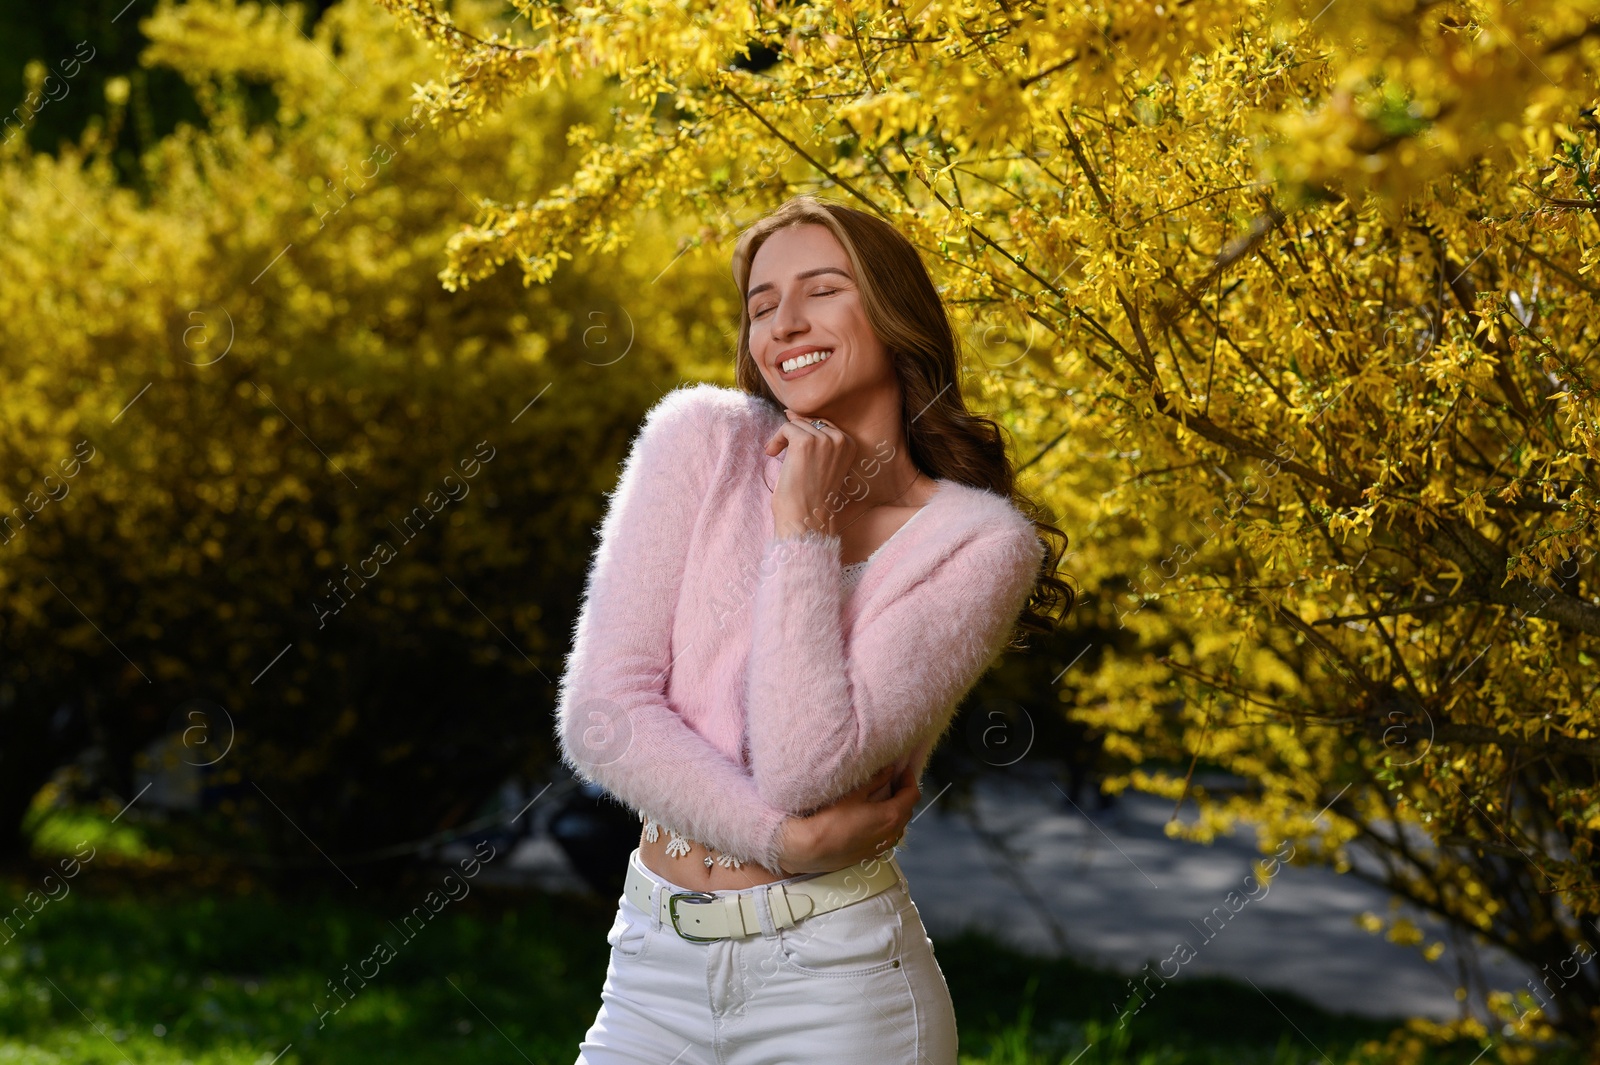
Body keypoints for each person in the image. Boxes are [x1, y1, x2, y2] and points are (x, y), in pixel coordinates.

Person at [556, 194, 1073, 1064]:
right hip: (651, 966)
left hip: (835, 984)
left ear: (893, 314)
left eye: (821, 290)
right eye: (761, 305)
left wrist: (807, 529)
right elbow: (602, 715)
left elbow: (804, 766)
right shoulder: (698, 442)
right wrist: (781, 842)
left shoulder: (979, 544)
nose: (784, 322)